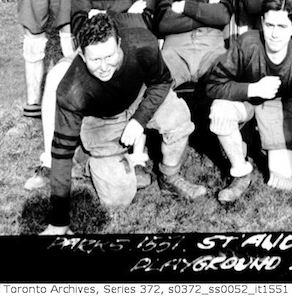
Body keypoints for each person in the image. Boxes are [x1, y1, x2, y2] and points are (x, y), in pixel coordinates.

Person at [38, 14, 206, 235]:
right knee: (119, 199)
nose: (104, 66)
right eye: (95, 60)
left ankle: (170, 176)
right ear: (81, 54)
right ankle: (87, 158)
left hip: (138, 97)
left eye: (110, 56)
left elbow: (162, 82)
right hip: (102, 120)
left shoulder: (142, 43)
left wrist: (139, 120)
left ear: (119, 43)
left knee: (178, 118)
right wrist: (59, 221)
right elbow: (60, 150)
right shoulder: (72, 90)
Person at [25, 0, 157, 191]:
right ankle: (51, 161)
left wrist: (103, 16)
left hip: (128, 54)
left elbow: (144, 22)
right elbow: (79, 25)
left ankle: (138, 158)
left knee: (141, 72)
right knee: (54, 79)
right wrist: (123, 16)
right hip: (89, 53)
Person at [202, 0, 292, 215]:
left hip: (279, 106)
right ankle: (240, 171)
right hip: (246, 96)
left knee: (284, 179)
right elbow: (212, 86)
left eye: (282, 26)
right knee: (219, 112)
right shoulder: (247, 43)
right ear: (262, 23)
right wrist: (252, 89)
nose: (275, 33)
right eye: (270, 25)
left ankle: (258, 139)